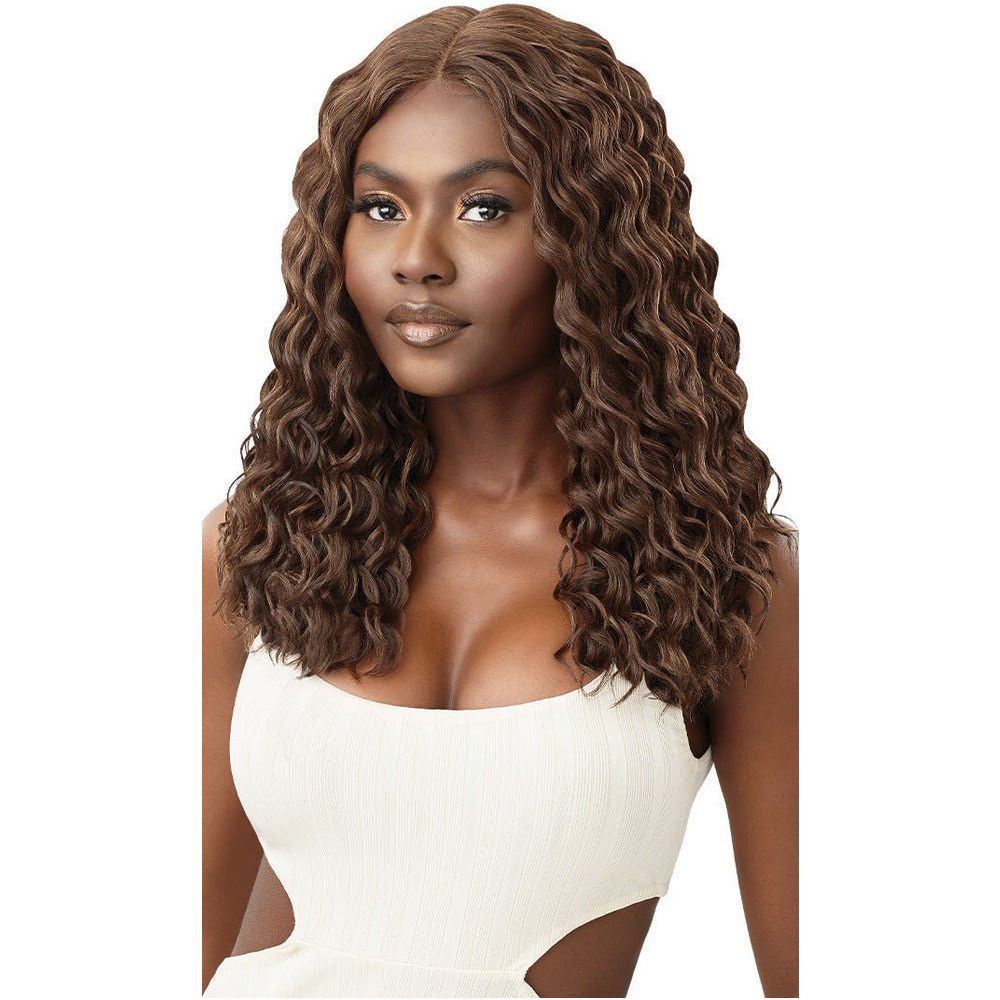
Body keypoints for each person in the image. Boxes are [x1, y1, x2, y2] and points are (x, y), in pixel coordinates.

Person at [202, 4, 798, 997]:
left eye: (483, 208)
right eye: (380, 207)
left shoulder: (725, 573)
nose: (418, 257)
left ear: (594, 236)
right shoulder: (260, 541)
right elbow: (207, 941)